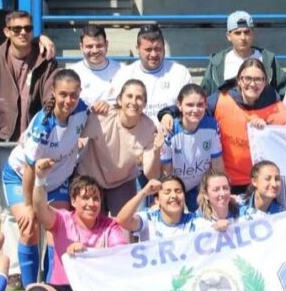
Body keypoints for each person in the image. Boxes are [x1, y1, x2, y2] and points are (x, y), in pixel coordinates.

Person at [0, 10, 58, 288]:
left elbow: (52, 98)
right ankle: (16, 269)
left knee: (43, 205)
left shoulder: (46, 57)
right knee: (11, 209)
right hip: (6, 143)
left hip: (40, 143)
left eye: (28, 28)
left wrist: (42, 131)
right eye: (17, 28)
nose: (23, 33)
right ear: (6, 31)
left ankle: (46, 267)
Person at [2, 69, 89, 287]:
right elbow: (30, 168)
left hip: (57, 181)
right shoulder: (44, 124)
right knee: (29, 228)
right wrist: (29, 206)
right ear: (53, 92)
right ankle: (31, 289)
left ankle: (53, 287)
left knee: (57, 229)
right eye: (63, 94)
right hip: (21, 176)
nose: (69, 100)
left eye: (73, 95)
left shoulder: (83, 109)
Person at [159, 59, 286, 194]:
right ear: (239, 80)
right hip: (227, 183)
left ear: (265, 82)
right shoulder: (221, 99)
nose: (253, 84)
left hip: (259, 183)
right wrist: (168, 113)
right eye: (248, 78)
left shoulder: (274, 105)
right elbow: (195, 106)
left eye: (258, 79)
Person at [20, 175, 128, 291]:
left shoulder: (110, 226)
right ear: (73, 201)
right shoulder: (62, 219)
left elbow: (121, 256)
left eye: (96, 198)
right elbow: (40, 207)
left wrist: (89, 252)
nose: (91, 204)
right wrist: (41, 178)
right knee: (35, 288)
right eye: (85, 198)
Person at [77, 80, 163, 215]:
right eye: (129, 96)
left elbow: (151, 174)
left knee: (126, 228)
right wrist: (78, 141)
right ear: (119, 99)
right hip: (89, 177)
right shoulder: (102, 117)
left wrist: (157, 151)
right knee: (91, 230)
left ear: (145, 104)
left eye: (139, 98)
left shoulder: (148, 128)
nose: (134, 102)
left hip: (122, 181)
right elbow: (72, 131)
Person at [101, 24, 192, 123]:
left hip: (171, 135)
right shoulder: (124, 74)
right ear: (138, 49)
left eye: (158, 49)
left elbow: (191, 105)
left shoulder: (180, 73)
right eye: (148, 50)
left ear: (164, 48)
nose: (153, 54)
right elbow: (111, 106)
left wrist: (170, 113)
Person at [160, 84, 223, 212]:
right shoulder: (170, 129)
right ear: (179, 105)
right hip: (175, 186)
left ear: (206, 105)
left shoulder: (212, 125)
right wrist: (173, 193)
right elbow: (166, 171)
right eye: (189, 105)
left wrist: (219, 188)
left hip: (198, 187)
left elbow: (217, 163)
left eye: (200, 105)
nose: (195, 110)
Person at [201, 11, 286, 97]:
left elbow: (283, 92)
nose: (243, 37)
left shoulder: (267, 60)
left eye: (246, 32)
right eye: (237, 33)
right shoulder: (217, 63)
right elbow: (204, 96)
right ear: (228, 36)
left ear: (252, 33)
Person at [116, 176, 198, 241]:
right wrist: (143, 192)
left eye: (178, 191)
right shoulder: (148, 219)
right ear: (157, 200)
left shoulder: (195, 221)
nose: (174, 196)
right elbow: (122, 220)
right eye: (167, 192)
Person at [67, 24, 121, 107]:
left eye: (99, 46)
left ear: (106, 45)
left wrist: (112, 105)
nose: (95, 50)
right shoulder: (70, 73)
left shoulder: (122, 71)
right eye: (89, 46)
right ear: (81, 47)